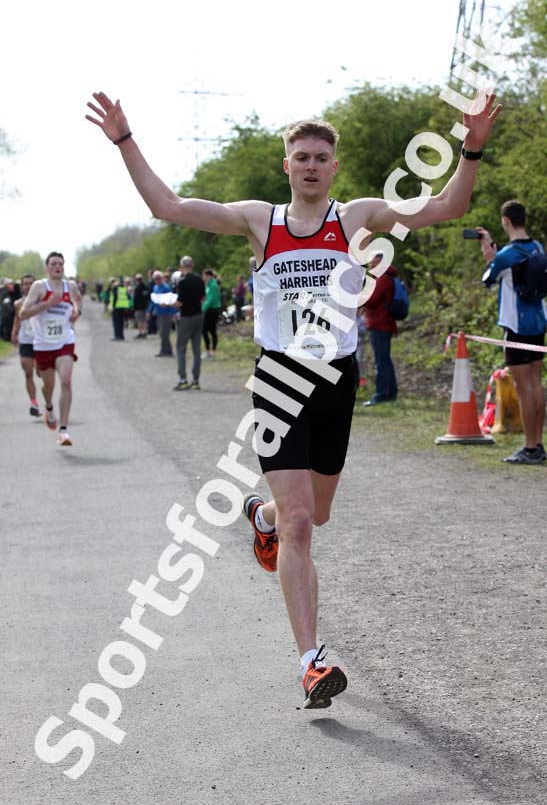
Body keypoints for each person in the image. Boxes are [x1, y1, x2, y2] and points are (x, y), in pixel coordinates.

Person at [86, 89, 500, 708]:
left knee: (313, 514)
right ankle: (311, 660)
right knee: (303, 523)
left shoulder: (357, 218)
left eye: (320, 157)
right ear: (287, 166)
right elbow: (167, 205)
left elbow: (445, 206)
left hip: (337, 380)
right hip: (279, 380)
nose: (310, 165)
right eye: (300, 156)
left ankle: (262, 516)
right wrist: (125, 139)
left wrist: (469, 147)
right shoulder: (261, 221)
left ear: (334, 166)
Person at [478, 200, 546, 464]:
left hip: (516, 327)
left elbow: (488, 279)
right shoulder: (538, 246)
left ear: (506, 221)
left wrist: (488, 256)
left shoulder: (506, 255)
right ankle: (537, 443)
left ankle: (530, 448)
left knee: (523, 387)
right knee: (536, 383)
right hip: (539, 322)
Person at [19, 252, 81, 446]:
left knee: (66, 380)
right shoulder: (39, 287)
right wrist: (47, 304)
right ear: (47, 268)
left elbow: (78, 299)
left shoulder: (70, 286)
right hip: (43, 344)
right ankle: (48, 407)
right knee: (48, 387)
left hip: (65, 340)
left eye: (61, 264)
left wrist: (76, 312)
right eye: (54, 264)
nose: (58, 267)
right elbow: (23, 313)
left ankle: (63, 430)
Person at [362, 251, 398, 405]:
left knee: (381, 361)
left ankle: (382, 394)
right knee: (385, 360)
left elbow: (372, 299)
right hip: (382, 323)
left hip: (380, 324)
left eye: (374, 263)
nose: (371, 265)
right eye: (370, 263)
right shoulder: (384, 277)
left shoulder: (383, 278)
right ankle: (390, 392)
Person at [11, 273, 42, 417]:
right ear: (21, 286)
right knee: (28, 371)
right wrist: (14, 333)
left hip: (41, 341)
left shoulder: (42, 300)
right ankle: (34, 403)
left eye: (31, 283)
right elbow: (18, 319)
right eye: (25, 284)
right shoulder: (18, 303)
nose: (28, 286)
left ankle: (47, 400)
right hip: (26, 341)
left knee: (40, 373)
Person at [173, 256, 205, 391]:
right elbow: (203, 297)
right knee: (196, 349)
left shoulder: (182, 282)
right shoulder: (200, 280)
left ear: (181, 267)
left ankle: (183, 379)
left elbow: (179, 302)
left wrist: (170, 304)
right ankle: (196, 381)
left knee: (181, 348)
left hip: (186, 317)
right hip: (198, 316)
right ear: (193, 265)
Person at [149, 270, 176, 356]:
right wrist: (150, 310)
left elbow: (171, 300)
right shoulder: (155, 288)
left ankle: (165, 351)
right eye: (155, 279)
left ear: (162, 278)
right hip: (159, 312)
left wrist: (172, 312)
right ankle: (167, 350)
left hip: (166, 313)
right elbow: (154, 300)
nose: (157, 280)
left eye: (158, 278)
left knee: (165, 332)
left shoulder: (166, 288)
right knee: (161, 332)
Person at [201, 269, 221, 360]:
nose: (203, 278)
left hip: (211, 310)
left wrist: (202, 309)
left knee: (206, 330)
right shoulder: (210, 285)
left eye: (204, 276)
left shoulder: (212, 285)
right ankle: (210, 351)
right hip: (212, 309)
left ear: (209, 276)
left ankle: (210, 352)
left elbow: (211, 300)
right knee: (210, 330)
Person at [132, 273, 150, 338]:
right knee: (144, 320)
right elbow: (148, 297)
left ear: (137, 280)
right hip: (145, 306)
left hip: (138, 307)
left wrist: (134, 307)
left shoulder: (137, 288)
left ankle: (141, 332)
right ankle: (144, 332)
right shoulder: (146, 287)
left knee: (139, 320)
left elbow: (135, 298)